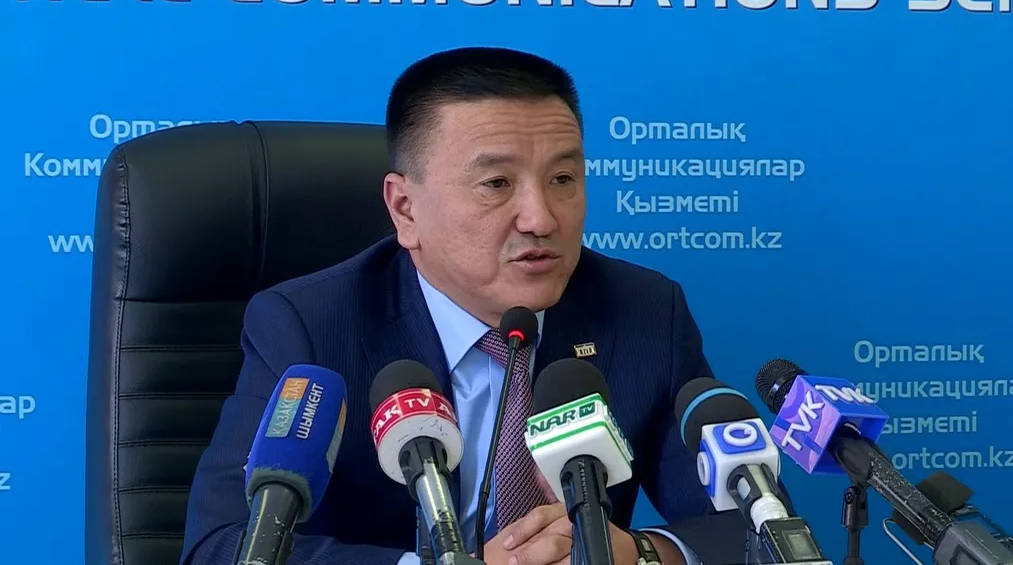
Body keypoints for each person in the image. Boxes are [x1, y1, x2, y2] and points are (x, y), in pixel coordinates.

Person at [180, 46, 774, 565]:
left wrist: (639, 553)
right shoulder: (310, 326)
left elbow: (757, 524)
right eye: (496, 184)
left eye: (563, 179)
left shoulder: (644, 312)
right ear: (405, 209)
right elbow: (223, 545)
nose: (541, 219)